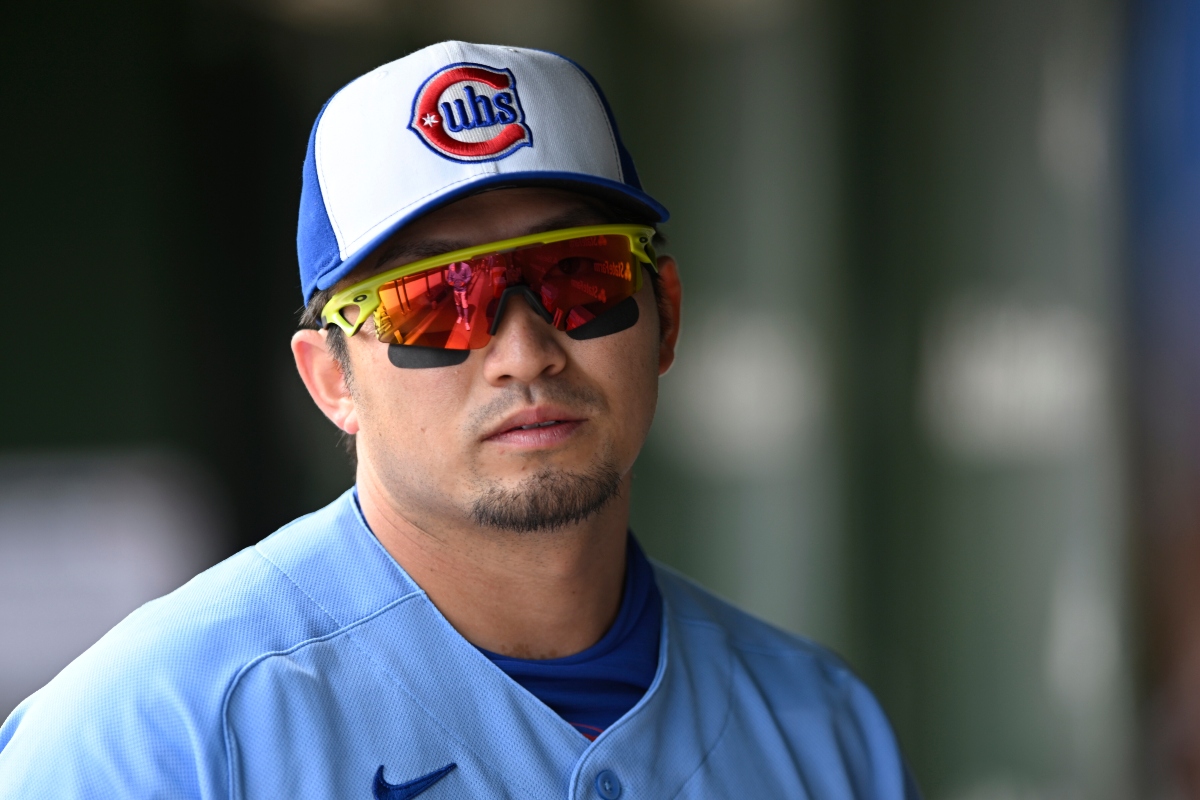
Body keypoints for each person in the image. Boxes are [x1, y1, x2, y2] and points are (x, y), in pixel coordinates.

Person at [0, 42, 919, 798]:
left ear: (665, 314)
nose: (524, 353)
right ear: (332, 382)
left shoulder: (821, 726)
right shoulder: (163, 731)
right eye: (435, 302)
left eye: (580, 275)